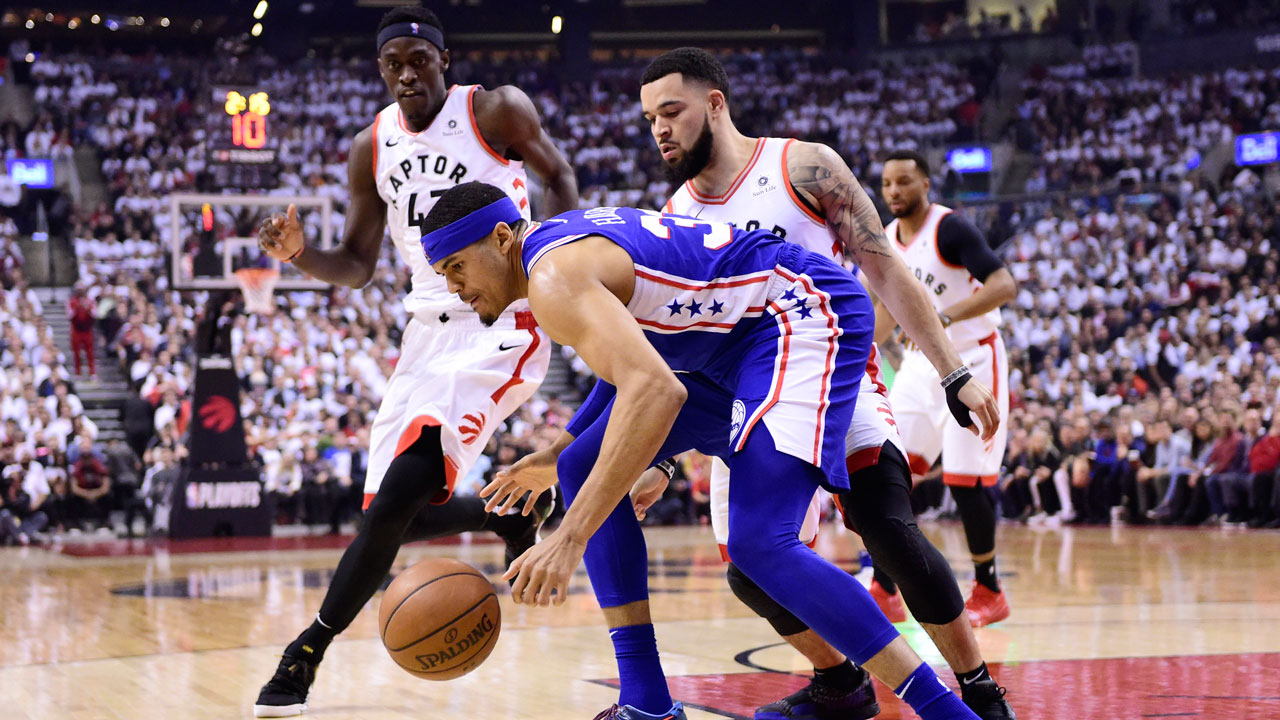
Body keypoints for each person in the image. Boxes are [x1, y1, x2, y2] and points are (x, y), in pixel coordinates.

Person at [426, 180, 997, 720]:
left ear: (502, 238)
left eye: (456, 266)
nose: (453, 286)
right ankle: (646, 698)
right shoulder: (561, 249)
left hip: (799, 317)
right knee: (580, 466)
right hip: (735, 347)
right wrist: (558, 450)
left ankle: (947, 711)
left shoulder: (552, 279)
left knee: (759, 542)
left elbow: (655, 389)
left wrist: (569, 537)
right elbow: (637, 361)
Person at [626, 47, 1014, 720]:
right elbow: (686, 339)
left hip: (837, 377)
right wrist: (661, 453)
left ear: (715, 103)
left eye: (672, 111)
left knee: (888, 530)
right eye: (650, 118)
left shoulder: (803, 165)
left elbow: (887, 270)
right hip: (749, 399)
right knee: (750, 573)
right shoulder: (676, 212)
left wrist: (953, 373)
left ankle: (978, 688)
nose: (660, 129)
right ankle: (840, 684)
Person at [250, 6, 577, 717]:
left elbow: (559, 175)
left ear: (443, 60)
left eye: (417, 61)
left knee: (400, 493)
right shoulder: (370, 145)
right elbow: (361, 264)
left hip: (500, 315)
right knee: (383, 516)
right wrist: (299, 256)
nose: (405, 74)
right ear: (380, 70)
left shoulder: (494, 112)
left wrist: (553, 264)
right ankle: (502, 510)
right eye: (391, 63)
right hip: (424, 332)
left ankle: (305, 652)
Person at [877, 149, 1017, 628]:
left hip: (973, 357)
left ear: (926, 185)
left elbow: (1004, 284)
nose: (894, 191)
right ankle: (884, 585)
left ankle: (989, 589)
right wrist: (855, 353)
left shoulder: (950, 229)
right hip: (919, 367)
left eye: (904, 181)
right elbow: (883, 309)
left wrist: (947, 315)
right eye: (887, 183)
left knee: (965, 480)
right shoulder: (885, 239)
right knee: (888, 469)